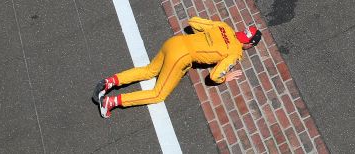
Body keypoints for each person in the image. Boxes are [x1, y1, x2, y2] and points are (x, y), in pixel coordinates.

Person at [94, 17, 262, 118]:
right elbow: (215, 75)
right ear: (249, 45)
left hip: (175, 42)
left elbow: (193, 21)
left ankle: (109, 82)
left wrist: (206, 38)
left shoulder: (224, 27)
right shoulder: (236, 53)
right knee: (158, 95)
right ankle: (110, 102)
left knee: (149, 70)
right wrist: (226, 77)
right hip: (180, 57)